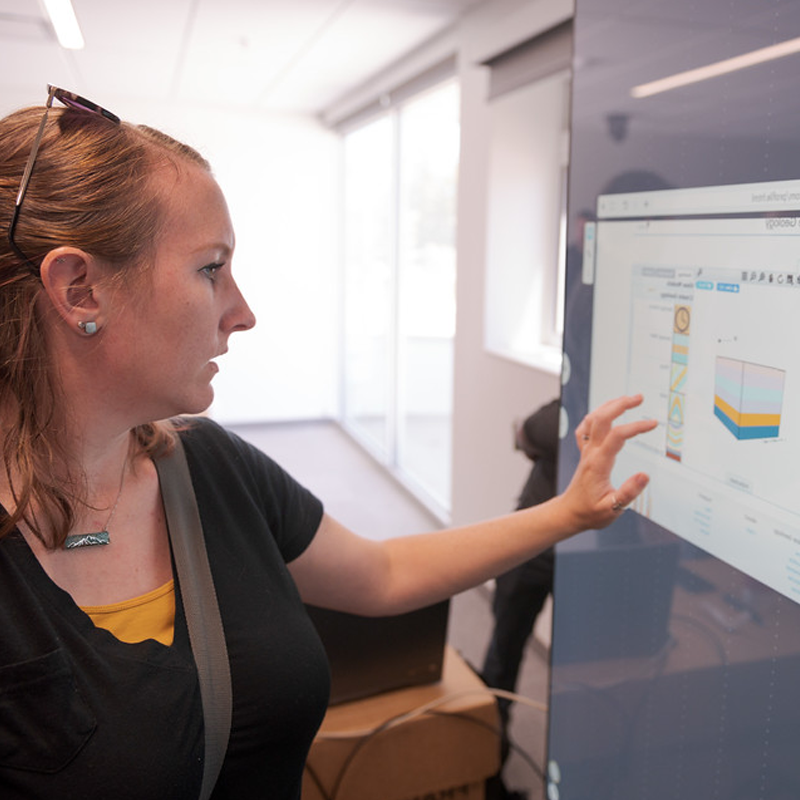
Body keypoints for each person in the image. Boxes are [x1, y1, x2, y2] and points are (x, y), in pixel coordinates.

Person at [0, 87, 656, 800]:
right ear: (79, 290)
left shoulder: (210, 468)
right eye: (210, 268)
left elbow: (381, 575)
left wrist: (571, 512)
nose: (242, 313)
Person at [481, 397, 558, 778]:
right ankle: (487, 768)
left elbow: (527, 433)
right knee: (502, 661)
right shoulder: (569, 405)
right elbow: (528, 431)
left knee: (585, 671)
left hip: (579, 561)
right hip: (529, 554)